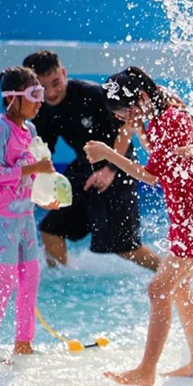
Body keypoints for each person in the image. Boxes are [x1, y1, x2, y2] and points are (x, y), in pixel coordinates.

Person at [84, 67, 193, 386]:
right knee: (178, 290)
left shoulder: (170, 120)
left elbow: (151, 176)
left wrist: (108, 154)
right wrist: (139, 132)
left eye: (123, 111)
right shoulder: (163, 116)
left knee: (158, 289)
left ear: (142, 98)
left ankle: (146, 371)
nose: (121, 117)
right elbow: (161, 160)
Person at [22, 51, 159, 270]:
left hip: (119, 164)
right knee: (51, 230)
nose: (51, 93)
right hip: (84, 168)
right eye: (42, 87)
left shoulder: (92, 95)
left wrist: (109, 169)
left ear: (64, 74)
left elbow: (126, 129)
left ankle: (172, 275)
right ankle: (64, 282)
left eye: (55, 83)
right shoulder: (42, 108)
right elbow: (43, 150)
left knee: (126, 249)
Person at [0, 66, 58, 361]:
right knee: (6, 280)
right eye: (34, 94)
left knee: (31, 278)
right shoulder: (0, 128)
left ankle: (23, 342)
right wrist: (33, 168)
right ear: (13, 98)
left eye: (40, 94)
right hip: (2, 217)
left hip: (25, 215)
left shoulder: (31, 130)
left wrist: (45, 198)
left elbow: (32, 177)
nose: (40, 101)